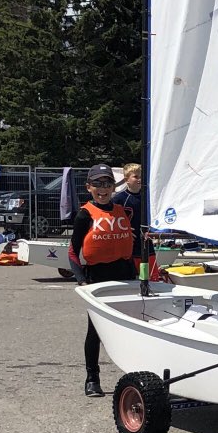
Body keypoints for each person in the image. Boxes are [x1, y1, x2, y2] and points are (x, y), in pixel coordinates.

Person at [68, 163, 135, 398]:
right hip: (97, 279)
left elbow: (136, 246)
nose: (103, 188)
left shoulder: (124, 211)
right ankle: (92, 378)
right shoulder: (84, 214)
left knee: (132, 328)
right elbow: (73, 252)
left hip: (126, 277)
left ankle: (136, 378)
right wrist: (81, 280)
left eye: (107, 183)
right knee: (95, 331)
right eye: (97, 184)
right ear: (89, 187)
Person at [112, 162, 156, 277]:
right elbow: (111, 220)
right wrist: (123, 230)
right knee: (134, 277)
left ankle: (148, 287)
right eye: (136, 176)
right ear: (126, 179)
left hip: (147, 243)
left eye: (141, 176)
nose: (139, 179)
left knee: (149, 276)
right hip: (129, 244)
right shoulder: (119, 199)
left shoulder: (148, 198)